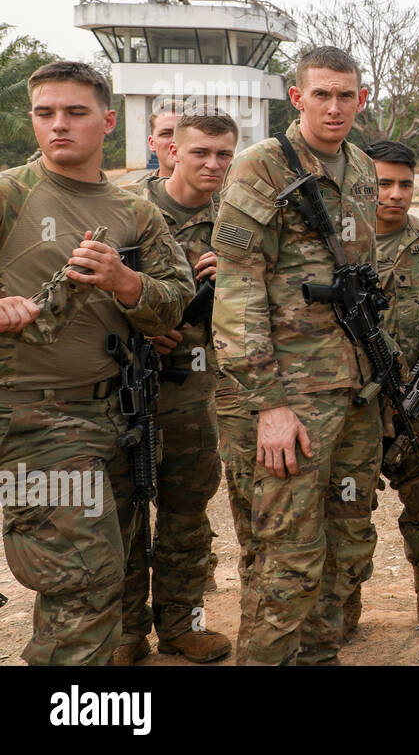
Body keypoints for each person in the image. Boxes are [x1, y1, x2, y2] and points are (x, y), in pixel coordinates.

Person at [0, 60, 193, 665]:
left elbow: (175, 299)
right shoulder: (11, 194)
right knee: (82, 581)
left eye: (75, 113)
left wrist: (126, 282)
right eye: (45, 113)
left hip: (116, 413)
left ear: (107, 121)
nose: (59, 125)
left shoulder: (132, 209)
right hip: (34, 419)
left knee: (107, 571)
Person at [211, 46, 382, 665]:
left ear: (361, 99)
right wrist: (269, 405)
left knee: (347, 537)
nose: (334, 107)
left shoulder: (361, 167)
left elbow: (362, 273)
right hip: (290, 394)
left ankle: (318, 654)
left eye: (346, 96)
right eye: (321, 95)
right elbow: (235, 288)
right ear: (297, 97)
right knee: (288, 551)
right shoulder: (262, 167)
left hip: (354, 385)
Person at [114, 105, 239, 665]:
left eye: (223, 155)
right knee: (125, 513)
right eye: (200, 152)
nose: (212, 164)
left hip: (194, 393)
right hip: (127, 388)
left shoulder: (234, 221)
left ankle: (183, 624)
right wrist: (145, 321)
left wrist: (228, 282)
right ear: (170, 151)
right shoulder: (131, 213)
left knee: (187, 514)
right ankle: (125, 632)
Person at [341, 140, 419, 635]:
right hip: (353, 404)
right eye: (383, 183)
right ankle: (343, 607)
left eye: (405, 184)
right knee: (347, 509)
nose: (395, 194)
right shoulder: (341, 242)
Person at [144, 95, 186, 181]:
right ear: (152, 143)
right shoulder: (134, 193)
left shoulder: (217, 191)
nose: (175, 141)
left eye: (183, 133)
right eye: (166, 133)